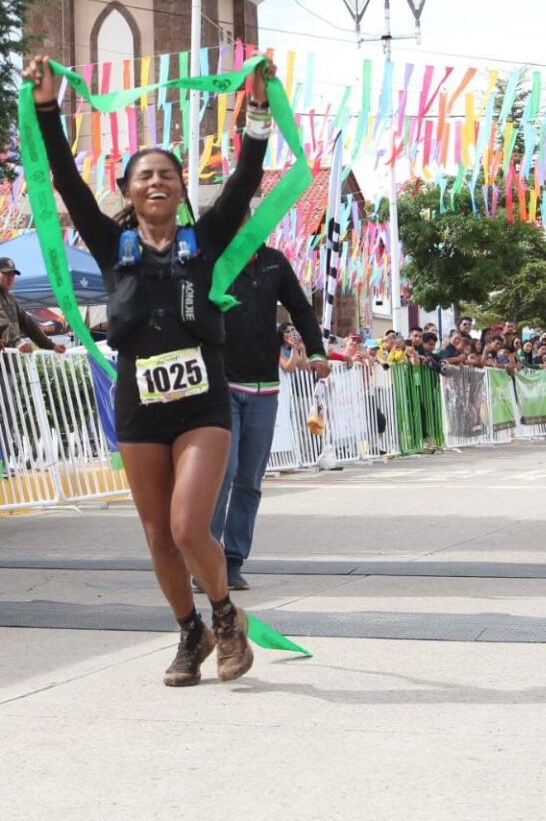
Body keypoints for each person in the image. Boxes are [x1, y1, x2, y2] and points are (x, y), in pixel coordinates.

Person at [26, 53, 270, 687]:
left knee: (189, 525)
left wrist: (257, 108)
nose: (156, 182)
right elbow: (66, 180)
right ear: (128, 190)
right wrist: (47, 107)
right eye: (144, 176)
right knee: (158, 534)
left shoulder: (206, 240)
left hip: (202, 404)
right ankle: (189, 631)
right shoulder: (113, 246)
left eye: (167, 174)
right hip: (139, 403)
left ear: (182, 188)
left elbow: (246, 176)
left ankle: (226, 618)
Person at [212, 246, 328, 591]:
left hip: (264, 386)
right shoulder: (213, 256)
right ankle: (205, 556)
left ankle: (233, 560)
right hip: (222, 383)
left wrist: (317, 351)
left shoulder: (274, 262)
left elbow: (301, 308)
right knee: (223, 471)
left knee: (249, 479)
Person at [0, 257, 64, 354]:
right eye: (5, 273)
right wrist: (16, 341)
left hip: (6, 357)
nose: (10, 278)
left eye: (12, 274)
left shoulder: (9, 296)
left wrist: (51, 345)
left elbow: (28, 323)